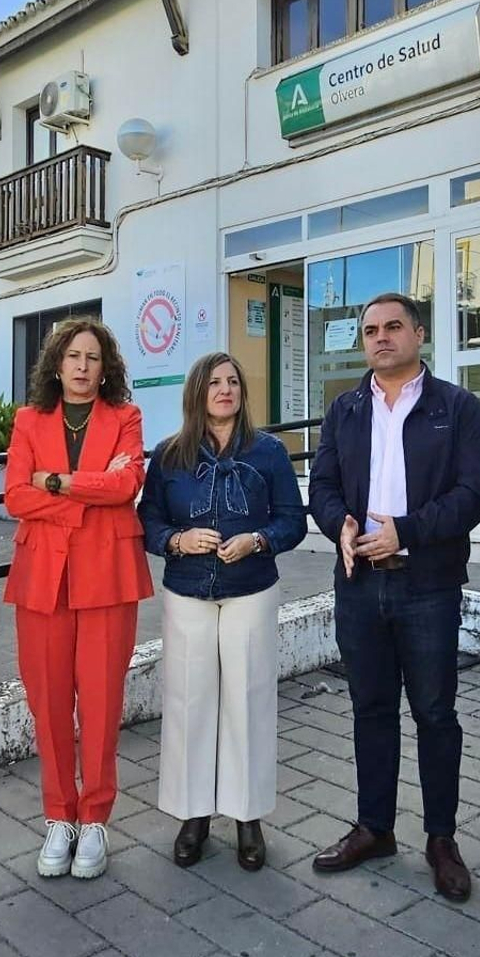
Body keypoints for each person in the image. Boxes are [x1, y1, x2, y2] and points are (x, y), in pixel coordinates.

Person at [307, 292, 480, 901]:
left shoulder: (458, 407)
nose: (380, 337)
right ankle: (375, 827)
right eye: (370, 330)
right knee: (370, 709)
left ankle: (441, 839)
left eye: (393, 327)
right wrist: (342, 525)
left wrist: (404, 533)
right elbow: (324, 485)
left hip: (426, 585)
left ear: (419, 333)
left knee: (436, 715)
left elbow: (474, 493)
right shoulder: (344, 410)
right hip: (360, 583)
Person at [139, 353, 307, 871]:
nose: (226, 389)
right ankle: (194, 816)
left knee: (249, 700)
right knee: (190, 701)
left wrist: (258, 540)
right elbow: (148, 521)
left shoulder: (270, 452)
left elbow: (292, 521)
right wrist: (178, 539)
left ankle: (248, 817)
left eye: (233, 381)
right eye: (215, 381)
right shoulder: (169, 456)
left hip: (251, 589)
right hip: (188, 590)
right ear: (197, 391)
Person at [4, 318, 152, 880]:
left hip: (107, 575)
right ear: (57, 363)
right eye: (73, 356)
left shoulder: (125, 417)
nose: (83, 366)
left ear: (105, 365)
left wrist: (59, 482)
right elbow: (16, 495)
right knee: (47, 704)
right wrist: (88, 488)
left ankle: (95, 819)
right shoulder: (27, 420)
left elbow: (126, 486)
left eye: (93, 357)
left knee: (101, 703)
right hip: (43, 578)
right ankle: (58, 816)